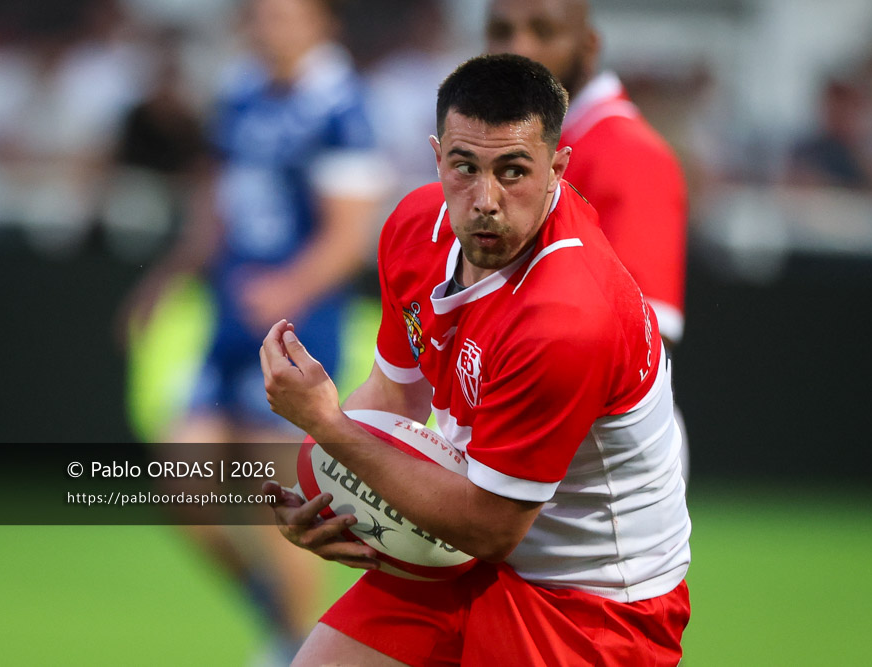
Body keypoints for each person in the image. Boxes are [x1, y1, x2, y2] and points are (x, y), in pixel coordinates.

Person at [261, 54, 691, 666]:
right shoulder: (414, 227)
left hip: (592, 604)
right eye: (465, 167)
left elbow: (491, 526)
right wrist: (319, 494)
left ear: (557, 169)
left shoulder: (567, 315)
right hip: (457, 554)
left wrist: (326, 427)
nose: (486, 200)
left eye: (513, 171)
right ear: (437, 157)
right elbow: (391, 395)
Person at [118, 0, 389, 655]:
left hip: (295, 333)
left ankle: (294, 645)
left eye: (285, 14)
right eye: (262, 14)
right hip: (228, 325)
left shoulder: (340, 106)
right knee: (182, 483)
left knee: (273, 507)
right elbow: (219, 205)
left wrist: (286, 287)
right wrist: (172, 274)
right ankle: (278, 618)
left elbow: (348, 234)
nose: (270, 26)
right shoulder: (242, 90)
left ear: (322, 21)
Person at [484, 0, 691, 478]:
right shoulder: (523, 151)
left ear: (589, 45)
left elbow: (644, 336)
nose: (518, 48)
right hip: (533, 436)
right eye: (500, 31)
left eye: (542, 30)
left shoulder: (627, 152)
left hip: (600, 464)